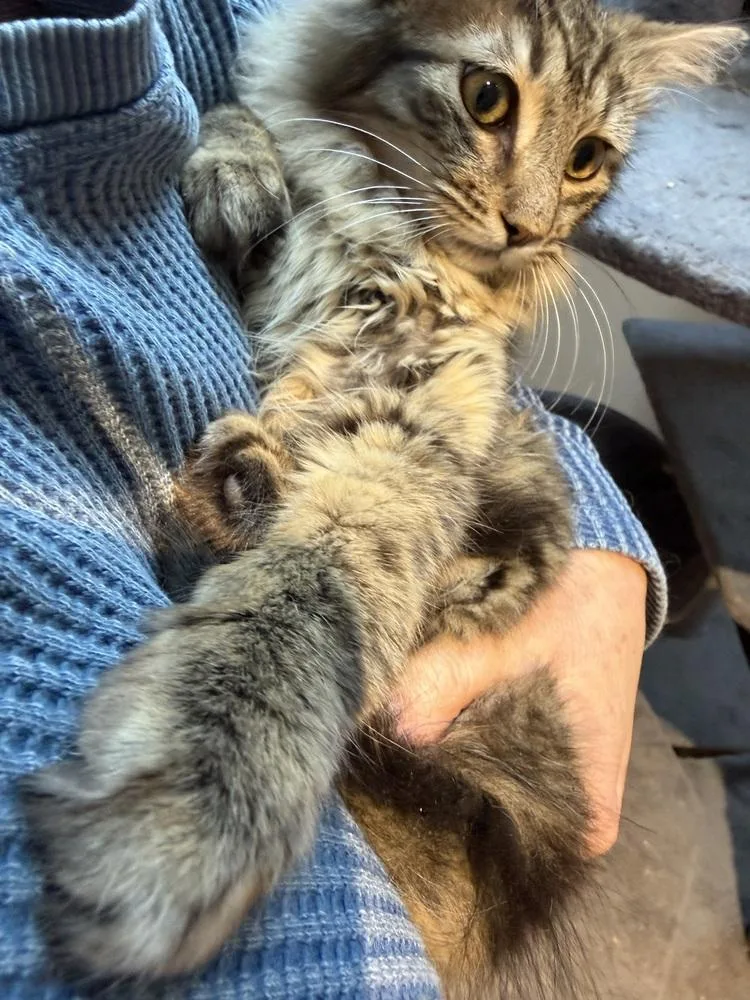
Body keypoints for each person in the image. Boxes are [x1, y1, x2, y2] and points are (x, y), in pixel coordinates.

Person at [0, 1, 666, 996]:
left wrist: (603, 539)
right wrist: (274, 675)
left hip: (406, 606)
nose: (529, 214)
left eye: (581, 162)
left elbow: (428, 412)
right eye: (491, 100)